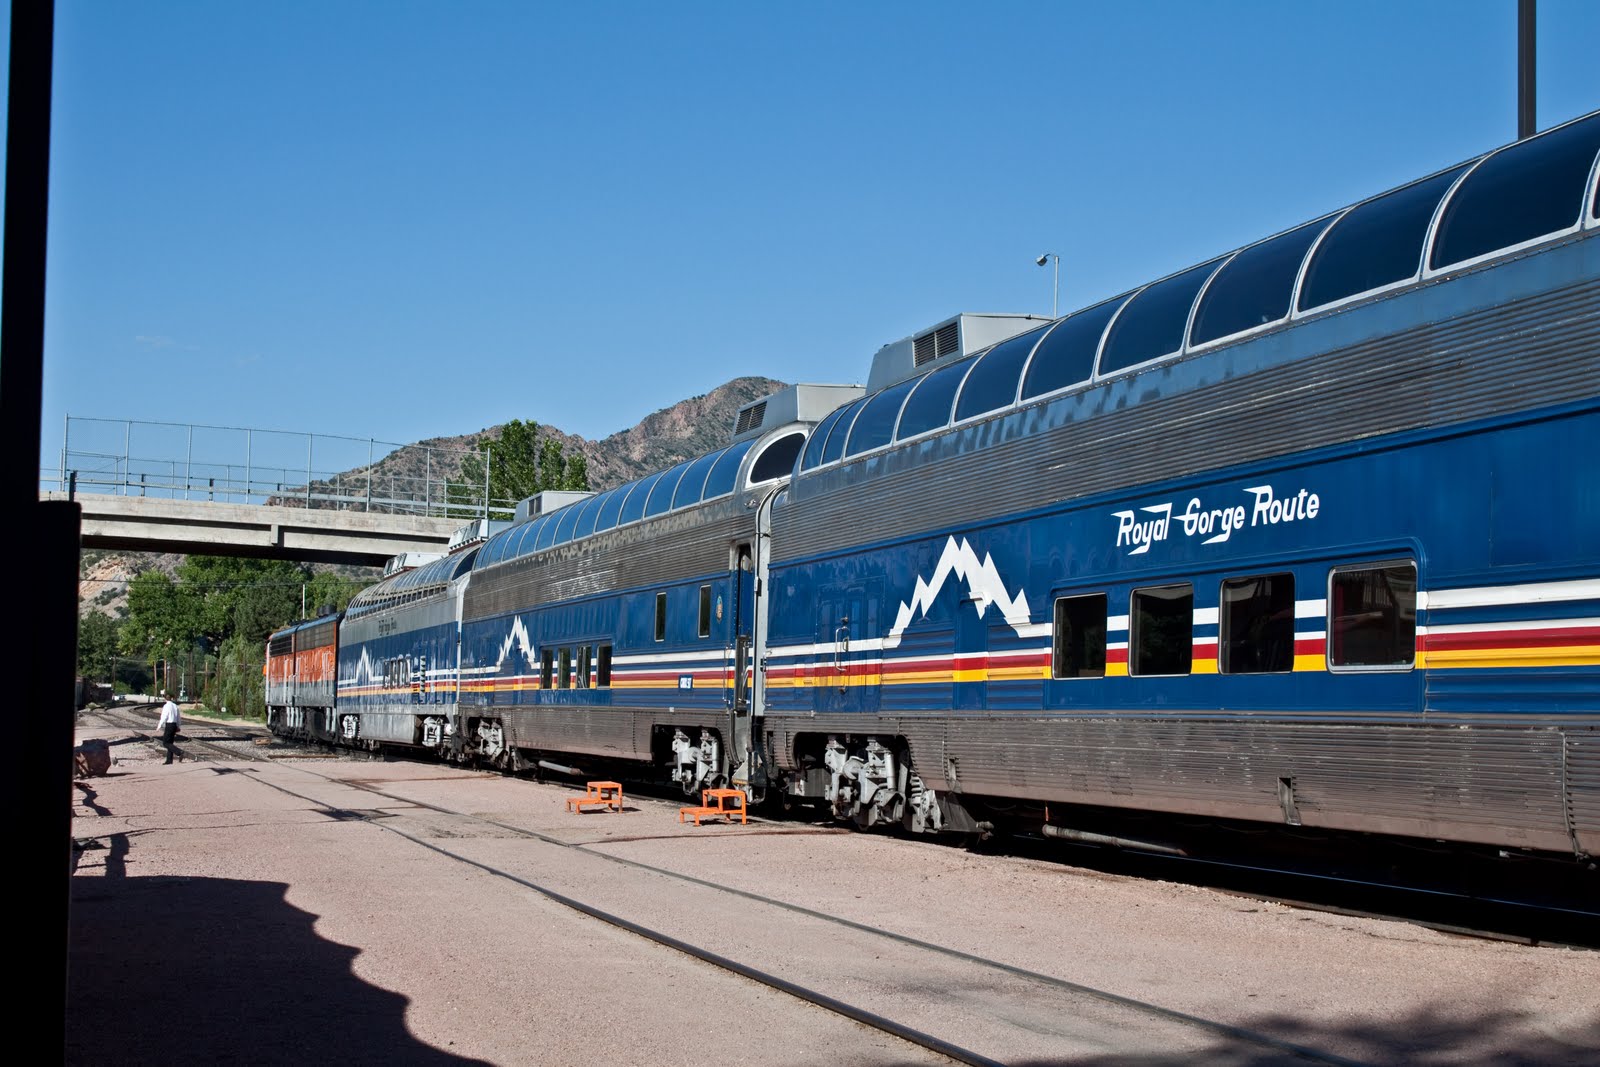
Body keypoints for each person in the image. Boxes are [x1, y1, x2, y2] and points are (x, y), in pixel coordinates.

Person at [157, 692, 181, 765]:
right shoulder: (175, 706)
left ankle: (179, 752)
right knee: (170, 743)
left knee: (165, 743)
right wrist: (178, 726)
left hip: (169, 725)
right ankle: (169, 760)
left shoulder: (166, 706)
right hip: (174, 725)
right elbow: (178, 717)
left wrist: (159, 726)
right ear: (171, 698)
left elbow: (164, 716)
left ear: (165, 699)